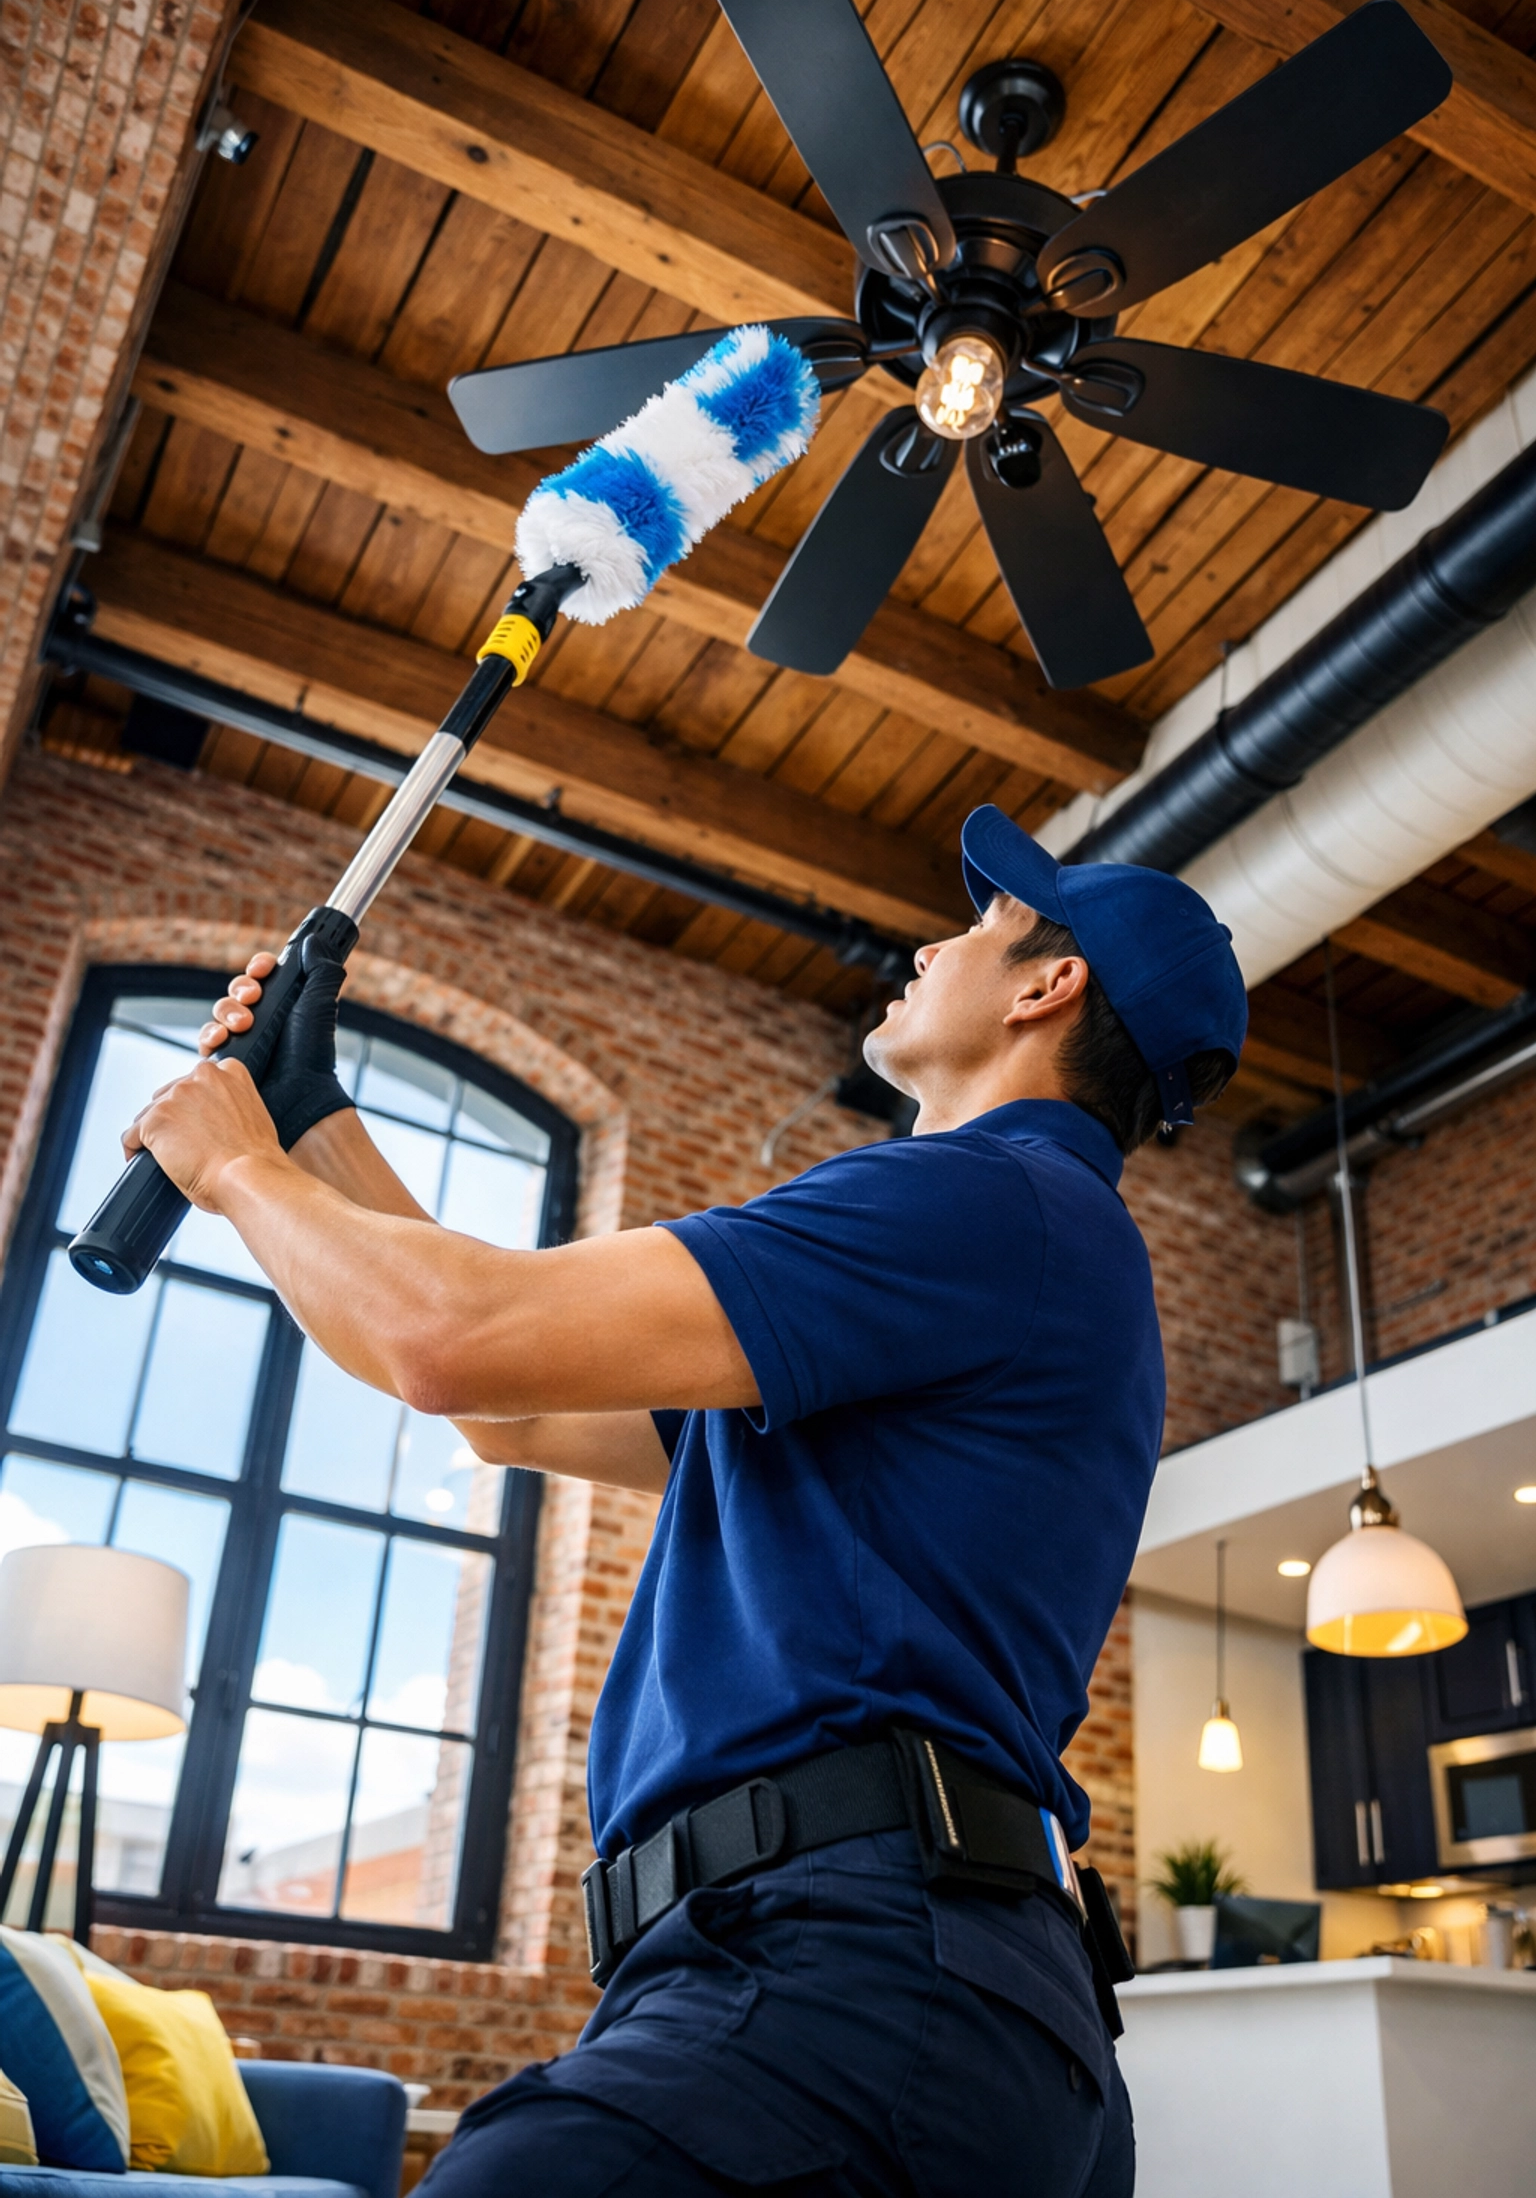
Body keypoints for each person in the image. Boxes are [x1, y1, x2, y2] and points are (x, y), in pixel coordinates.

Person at [127, 804, 1246, 2198]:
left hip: (864, 1967)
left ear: (1045, 985)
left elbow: (446, 1341)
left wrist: (232, 1168)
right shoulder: (985, 1260)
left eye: (976, 926)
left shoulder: (982, 1202)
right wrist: (307, 1122)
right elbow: (510, 1408)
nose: (923, 943)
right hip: (896, 1974)